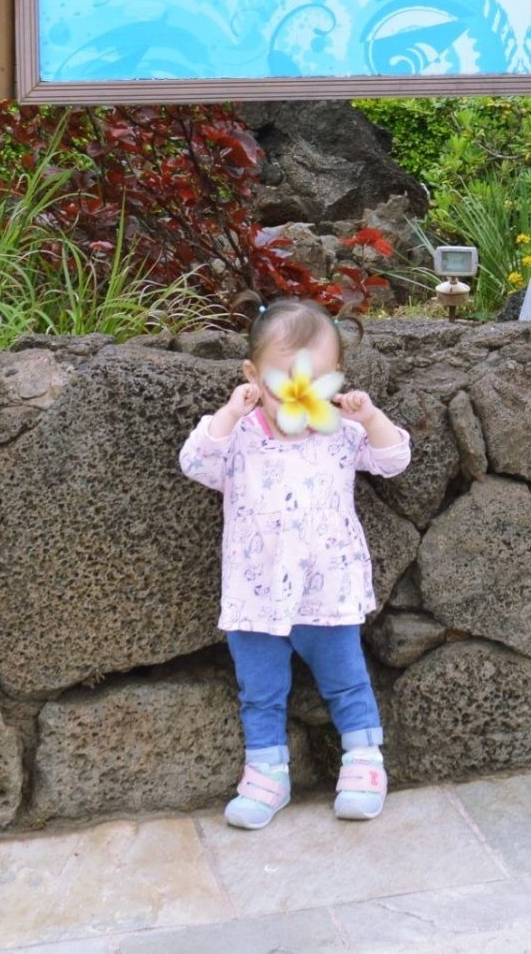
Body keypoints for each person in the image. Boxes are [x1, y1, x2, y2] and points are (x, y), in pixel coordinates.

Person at [179, 298, 411, 829]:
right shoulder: (238, 436)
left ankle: (364, 762)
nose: (296, 386)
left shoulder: (340, 433)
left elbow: (394, 460)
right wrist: (230, 412)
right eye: (282, 375)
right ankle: (266, 772)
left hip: (327, 589)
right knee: (260, 691)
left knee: (346, 679)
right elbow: (194, 462)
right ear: (252, 374)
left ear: (333, 377)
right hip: (255, 595)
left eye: (316, 374)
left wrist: (370, 416)